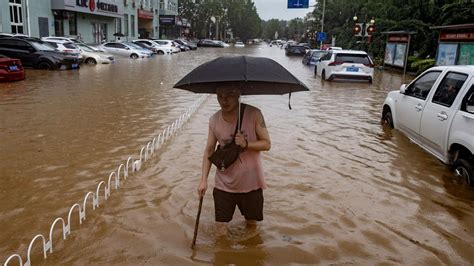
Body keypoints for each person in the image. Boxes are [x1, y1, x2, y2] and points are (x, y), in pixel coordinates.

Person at [198, 87, 271, 237]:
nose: (224, 100)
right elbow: (209, 151)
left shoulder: (254, 114)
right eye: (220, 96)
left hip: (252, 183)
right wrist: (203, 180)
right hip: (224, 184)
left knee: (251, 227)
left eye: (229, 95)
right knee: (220, 230)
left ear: (238, 94)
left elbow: (266, 144)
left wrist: (247, 144)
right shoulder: (214, 120)